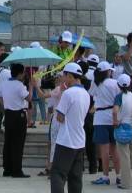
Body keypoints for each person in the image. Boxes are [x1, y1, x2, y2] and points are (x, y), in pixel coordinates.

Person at [50, 62, 90, 193]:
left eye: (64, 76)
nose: (63, 78)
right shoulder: (86, 93)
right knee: (75, 177)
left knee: (57, 174)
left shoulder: (68, 93)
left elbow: (60, 117)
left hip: (66, 140)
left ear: (70, 76)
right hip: (79, 140)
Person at [0, 62, 30, 178]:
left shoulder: (4, 84)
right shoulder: (20, 85)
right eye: (23, 72)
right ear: (20, 74)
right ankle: (17, 170)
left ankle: (7, 168)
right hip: (19, 115)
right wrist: (32, 85)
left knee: (8, 142)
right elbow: (29, 98)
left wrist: (6, 104)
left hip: (9, 114)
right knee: (18, 143)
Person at [90, 61, 120, 185]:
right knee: (115, 149)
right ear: (108, 71)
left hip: (100, 118)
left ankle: (105, 176)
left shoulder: (95, 83)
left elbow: (91, 96)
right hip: (114, 117)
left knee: (104, 150)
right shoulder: (115, 83)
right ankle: (119, 175)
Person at [112, 73, 132, 190]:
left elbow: (115, 111)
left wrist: (115, 121)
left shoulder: (119, 96)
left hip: (122, 126)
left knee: (125, 156)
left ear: (119, 85)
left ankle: (126, 183)